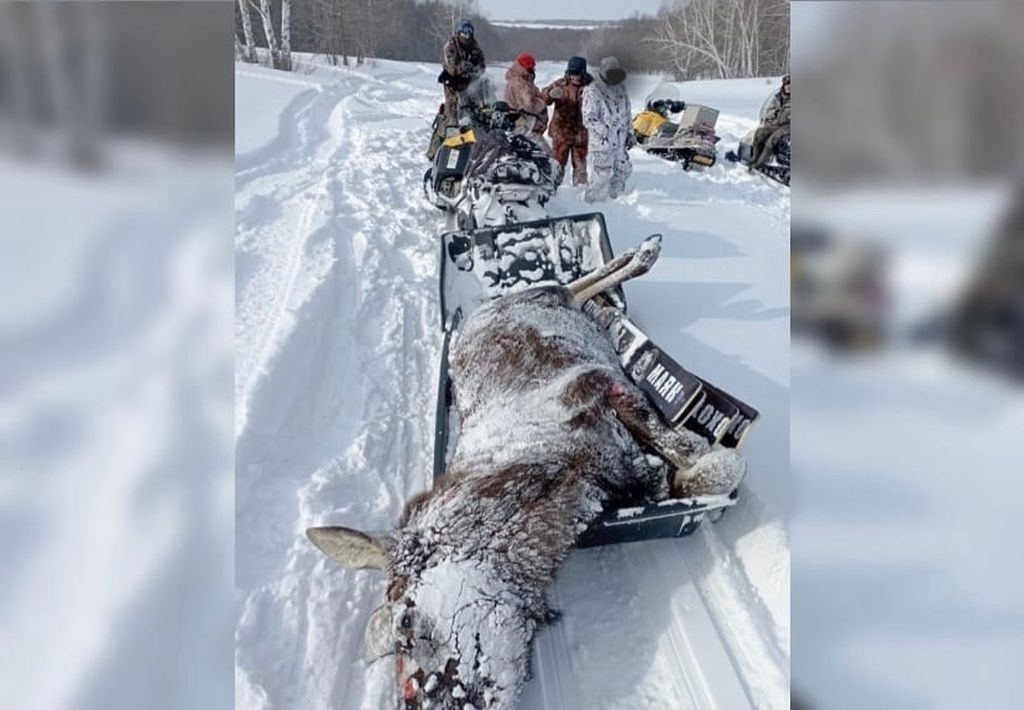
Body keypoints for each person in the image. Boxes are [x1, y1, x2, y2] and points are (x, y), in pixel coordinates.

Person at [581, 56, 632, 202]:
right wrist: (605, 131)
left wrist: (630, 133)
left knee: (621, 172)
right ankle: (593, 205)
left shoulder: (621, 89)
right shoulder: (592, 91)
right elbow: (589, 118)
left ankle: (615, 204)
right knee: (600, 177)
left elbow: (627, 113)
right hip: (602, 144)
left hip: (620, 143)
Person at [541, 56, 592, 186]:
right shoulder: (561, 84)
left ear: (583, 72)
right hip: (561, 133)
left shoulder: (591, 87)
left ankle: (579, 192)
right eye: (572, 73)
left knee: (580, 167)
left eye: (578, 73)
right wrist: (550, 94)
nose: (575, 77)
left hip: (581, 134)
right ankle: (553, 189)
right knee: (557, 164)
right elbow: (543, 98)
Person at [440, 20, 486, 123]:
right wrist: (461, 67)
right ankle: (451, 122)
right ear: (459, 31)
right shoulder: (451, 45)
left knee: (480, 94)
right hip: (453, 79)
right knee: (453, 101)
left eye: (470, 31)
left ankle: (479, 120)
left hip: (469, 78)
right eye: (465, 31)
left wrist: (475, 69)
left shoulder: (475, 46)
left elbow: (482, 64)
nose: (467, 34)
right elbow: (449, 64)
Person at [750, 74, 790, 170]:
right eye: (787, 84)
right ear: (783, 86)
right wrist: (776, 112)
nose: (789, 87)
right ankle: (754, 158)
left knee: (771, 140)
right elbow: (768, 111)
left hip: (788, 126)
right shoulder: (777, 97)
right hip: (776, 123)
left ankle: (759, 163)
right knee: (759, 133)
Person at [504, 53, 548, 141]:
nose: (533, 69)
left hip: (525, 125)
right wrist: (541, 102)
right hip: (526, 126)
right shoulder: (520, 84)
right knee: (544, 153)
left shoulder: (522, 80)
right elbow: (529, 104)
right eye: (531, 67)